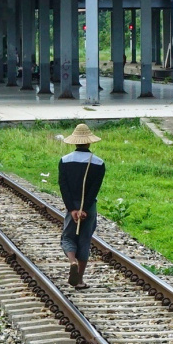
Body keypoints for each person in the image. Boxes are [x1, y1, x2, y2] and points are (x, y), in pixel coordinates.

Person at [58, 123, 106, 288]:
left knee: (68, 237)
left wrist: (72, 209)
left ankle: (72, 261)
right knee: (85, 240)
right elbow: (94, 189)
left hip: (72, 205)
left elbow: (63, 187)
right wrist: (84, 209)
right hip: (89, 207)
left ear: (75, 142)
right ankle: (79, 280)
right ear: (89, 142)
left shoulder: (64, 161)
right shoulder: (99, 163)